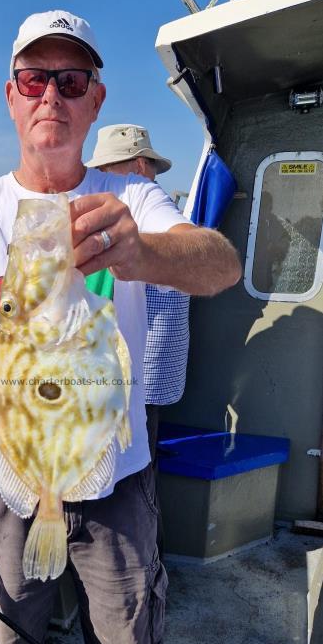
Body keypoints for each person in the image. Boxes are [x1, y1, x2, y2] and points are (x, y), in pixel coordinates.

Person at [0, 9, 241, 644]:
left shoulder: (131, 196)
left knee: (130, 634)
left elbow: (222, 263)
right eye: (36, 80)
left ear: (96, 98)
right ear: (11, 96)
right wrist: (8, 379)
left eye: (72, 81)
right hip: (12, 477)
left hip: (116, 471)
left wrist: (141, 253)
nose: (52, 97)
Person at [86, 124, 191, 559]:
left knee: (136, 475)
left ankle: (147, 563)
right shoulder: (151, 214)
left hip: (144, 375)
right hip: (142, 376)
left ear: (141, 166)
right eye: (104, 172)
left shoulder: (152, 214)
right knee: (140, 469)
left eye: (115, 169)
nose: (109, 181)